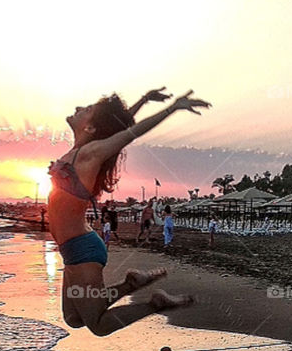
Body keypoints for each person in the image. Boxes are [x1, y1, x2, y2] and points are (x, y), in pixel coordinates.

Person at [48, 88, 210, 336]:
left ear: (91, 128)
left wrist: (172, 107)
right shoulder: (79, 151)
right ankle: (130, 283)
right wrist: (142, 101)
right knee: (73, 318)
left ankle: (156, 303)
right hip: (73, 248)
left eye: (88, 110)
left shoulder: (90, 155)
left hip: (82, 249)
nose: (80, 108)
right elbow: (117, 127)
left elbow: (129, 133)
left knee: (99, 325)